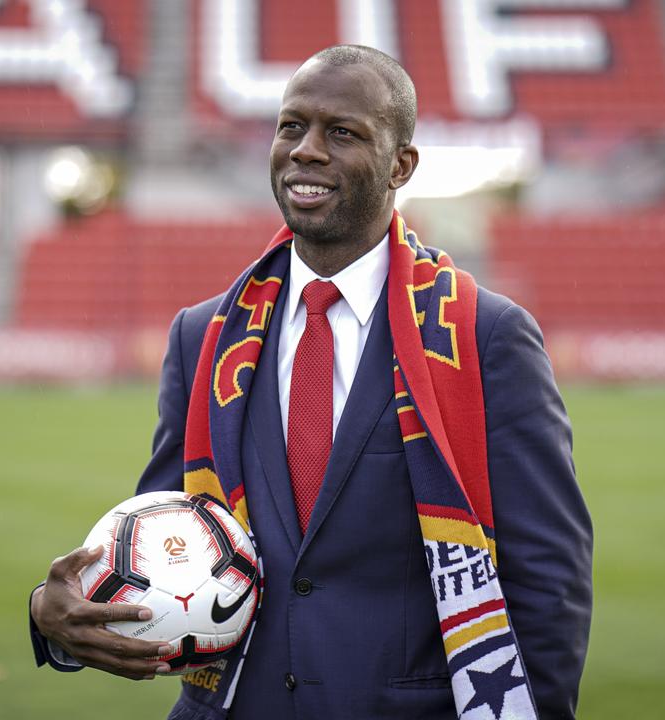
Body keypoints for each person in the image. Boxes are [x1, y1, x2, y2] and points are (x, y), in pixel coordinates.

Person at [29, 44, 592, 720]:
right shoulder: (202, 336)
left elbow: (548, 579)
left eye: (343, 133)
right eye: (291, 126)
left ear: (401, 165)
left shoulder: (485, 337)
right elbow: (164, 536)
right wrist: (52, 612)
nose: (306, 150)